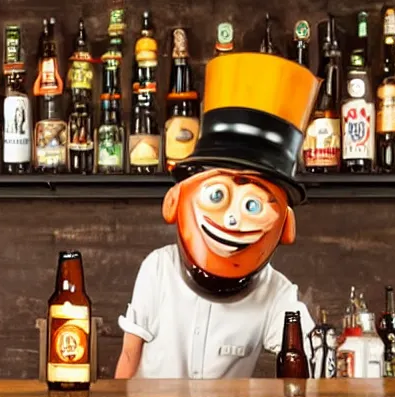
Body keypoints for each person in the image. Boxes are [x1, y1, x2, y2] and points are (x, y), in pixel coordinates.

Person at [115, 52, 321, 379]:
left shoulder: (277, 293)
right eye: (217, 196)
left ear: (286, 226)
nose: (232, 220)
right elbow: (129, 354)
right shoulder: (157, 269)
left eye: (253, 205)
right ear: (174, 201)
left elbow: (314, 356)